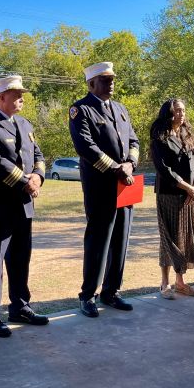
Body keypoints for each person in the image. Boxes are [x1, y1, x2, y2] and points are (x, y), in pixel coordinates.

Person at [0, 75, 49, 338]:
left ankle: (20, 307)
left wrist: (37, 176)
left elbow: (37, 155)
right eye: (17, 94)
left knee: (20, 260)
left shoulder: (24, 124)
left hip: (23, 206)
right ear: (1, 97)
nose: (22, 98)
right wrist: (26, 181)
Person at [69, 62, 140, 318]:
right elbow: (85, 146)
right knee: (99, 241)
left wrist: (130, 163)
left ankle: (112, 291)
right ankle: (88, 295)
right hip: (100, 186)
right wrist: (115, 168)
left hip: (125, 185)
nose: (110, 83)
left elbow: (133, 140)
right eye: (104, 79)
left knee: (121, 240)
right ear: (91, 84)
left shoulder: (120, 109)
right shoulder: (81, 109)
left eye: (112, 79)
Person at [150, 98, 194, 299]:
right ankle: (165, 284)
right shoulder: (160, 134)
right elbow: (163, 168)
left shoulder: (186, 133)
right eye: (176, 110)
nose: (181, 114)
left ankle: (180, 282)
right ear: (167, 112)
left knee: (184, 238)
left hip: (189, 195)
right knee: (169, 238)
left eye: (183, 110)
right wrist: (186, 187)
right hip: (169, 193)